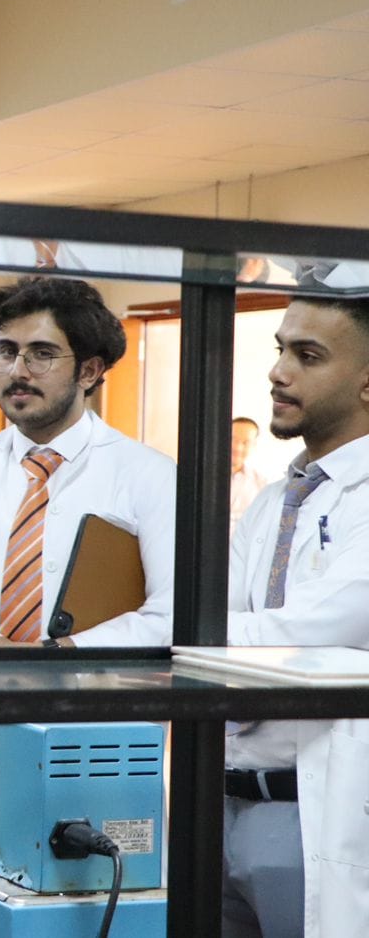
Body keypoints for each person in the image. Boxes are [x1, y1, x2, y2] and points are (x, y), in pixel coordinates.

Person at [0, 276, 175, 833]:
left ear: (90, 371)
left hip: (90, 732)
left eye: (42, 354)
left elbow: (173, 614)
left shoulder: (149, 476)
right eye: (6, 351)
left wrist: (60, 657)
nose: (17, 370)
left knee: (83, 878)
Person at [224, 297, 369, 938]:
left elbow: (298, 637)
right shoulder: (274, 501)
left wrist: (178, 635)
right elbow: (214, 617)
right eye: (281, 349)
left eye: (307, 356)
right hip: (222, 798)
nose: (278, 371)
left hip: (312, 810)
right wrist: (192, 633)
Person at [230, 415, 270, 527]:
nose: (238, 448)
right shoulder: (199, 475)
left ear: (253, 445)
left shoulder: (261, 484)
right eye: (233, 439)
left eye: (245, 442)